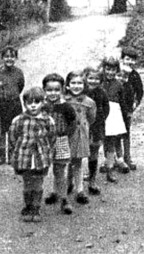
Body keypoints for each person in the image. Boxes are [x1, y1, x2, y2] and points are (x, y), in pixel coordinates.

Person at [9, 87, 55, 223]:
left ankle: (36, 207)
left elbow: (52, 137)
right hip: (24, 157)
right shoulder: (19, 120)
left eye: (37, 102)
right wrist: (16, 151)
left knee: (38, 182)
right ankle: (28, 206)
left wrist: (46, 150)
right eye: (30, 103)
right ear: (25, 104)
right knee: (27, 182)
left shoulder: (48, 120)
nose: (33, 105)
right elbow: (13, 137)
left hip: (41, 157)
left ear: (43, 103)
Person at [42, 73, 77, 215]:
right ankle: (53, 193)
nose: (53, 93)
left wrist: (64, 135)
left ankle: (64, 199)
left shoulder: (66, 107)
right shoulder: (42, 106)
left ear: (62, 90)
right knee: (43, 169)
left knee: (59, 171)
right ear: (44, 90)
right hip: (44, 142)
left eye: (56, 90)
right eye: (49, 90)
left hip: (60, 141)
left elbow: (73, 124)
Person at [63, 69, 96, 206]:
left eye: (80, 83)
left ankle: (80, 190)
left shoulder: (89, 102)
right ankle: (64, 187)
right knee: (64, 162)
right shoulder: (63, 100)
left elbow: (91, 118)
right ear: (67, 85)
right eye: (73, 83)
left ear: (84, 85)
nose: (76, 86)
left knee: (77, 162)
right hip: (65, 135)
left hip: (80, 134)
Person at [0, 46, 25, 166]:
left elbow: (21, 86)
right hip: (2, 104)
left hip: (14, 104)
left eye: (12, 56)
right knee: (2, 131)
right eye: (6, 56)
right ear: (2, 58)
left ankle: (12, 154)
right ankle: (2, 154)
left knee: (14, 130)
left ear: (16, 58)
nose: (9, 59)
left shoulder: (18, 72)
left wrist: (13, 94)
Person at [100, 57, 127, 179]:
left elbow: (122, 102)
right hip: (102, 113)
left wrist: (126, 116)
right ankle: (106, 162)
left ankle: (115, 164)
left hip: (114, 114)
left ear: (117, 70)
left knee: (113, 139)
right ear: (104, 69)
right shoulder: (99, 82)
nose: (110, 72)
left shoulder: (119, 85)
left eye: (113, 70)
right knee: (103, 140)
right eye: (108, 69)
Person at [84, 66, 109, 195]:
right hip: (82, 127)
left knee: (93, 151)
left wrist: (100, 120)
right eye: (90, 78)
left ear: (100, 80)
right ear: (85, 78)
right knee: (76, 153)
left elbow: (106, 108)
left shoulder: (102, 92)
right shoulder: (81, 91)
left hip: (97, 126)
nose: (93, 81)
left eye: (96, 79)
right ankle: (71, 181)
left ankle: (92, 180)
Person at [119, 47, 144, 171]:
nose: (130, 62)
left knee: (126, 132)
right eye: (127, 59)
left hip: (127, 108)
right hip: (115, 109)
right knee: (112, 134)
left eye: (133, 60)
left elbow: (140, 91)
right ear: (122, 59)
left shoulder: (135, 75)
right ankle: (113, 159)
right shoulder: (117, 73)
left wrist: (136, 102)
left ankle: (127, 157)